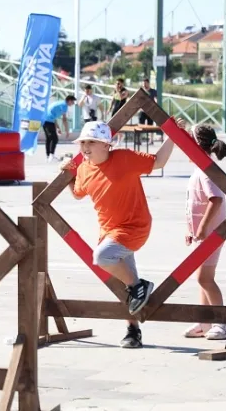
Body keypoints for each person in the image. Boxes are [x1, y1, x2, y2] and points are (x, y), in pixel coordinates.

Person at [60, 120, 175, 348]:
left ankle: (139, 285)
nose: (85, 147)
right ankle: (133, 330)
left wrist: (174, 136)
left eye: (91, 142)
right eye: (83, 142)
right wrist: (67, 176)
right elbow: (77, 193)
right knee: (124, 284)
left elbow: (159, 161)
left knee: (102, 258)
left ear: (106, 144)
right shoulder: (84, 168)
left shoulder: (124, 158)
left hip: (135, 227)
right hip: (109, 232)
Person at [181, 120, 226, 340]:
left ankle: (221, 323)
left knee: (205, 279)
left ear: (195, 145)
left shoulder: (205, 171)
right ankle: (204, 322)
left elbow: (216, 199)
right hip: (203, 235)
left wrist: (201, 227)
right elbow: (195, 202)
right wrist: (191, 229)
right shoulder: (200, 169)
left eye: (187, 142)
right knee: (202, 279)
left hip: (212, 234)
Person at [42, 95, 77, 163]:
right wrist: (67, 131)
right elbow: (64, 120)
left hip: (45, 120)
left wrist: (58, 128)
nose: (73, 104)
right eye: (72, 102)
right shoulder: (64, 106)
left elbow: (53, 116)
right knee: (54, 138)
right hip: (48, 121)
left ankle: (49, 156)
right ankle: (51, 156)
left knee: (49, 138)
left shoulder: (60, 103)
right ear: (69, 101)